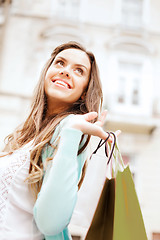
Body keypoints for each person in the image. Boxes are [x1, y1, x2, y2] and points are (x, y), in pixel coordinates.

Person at [0, 41, 120, 240]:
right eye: (60, 63)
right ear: (47, 72)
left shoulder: (70, 134)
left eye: (79, 71)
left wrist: (71, 134)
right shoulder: (24, 136)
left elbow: (51, 223)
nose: (65, 71)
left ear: (84, 91)